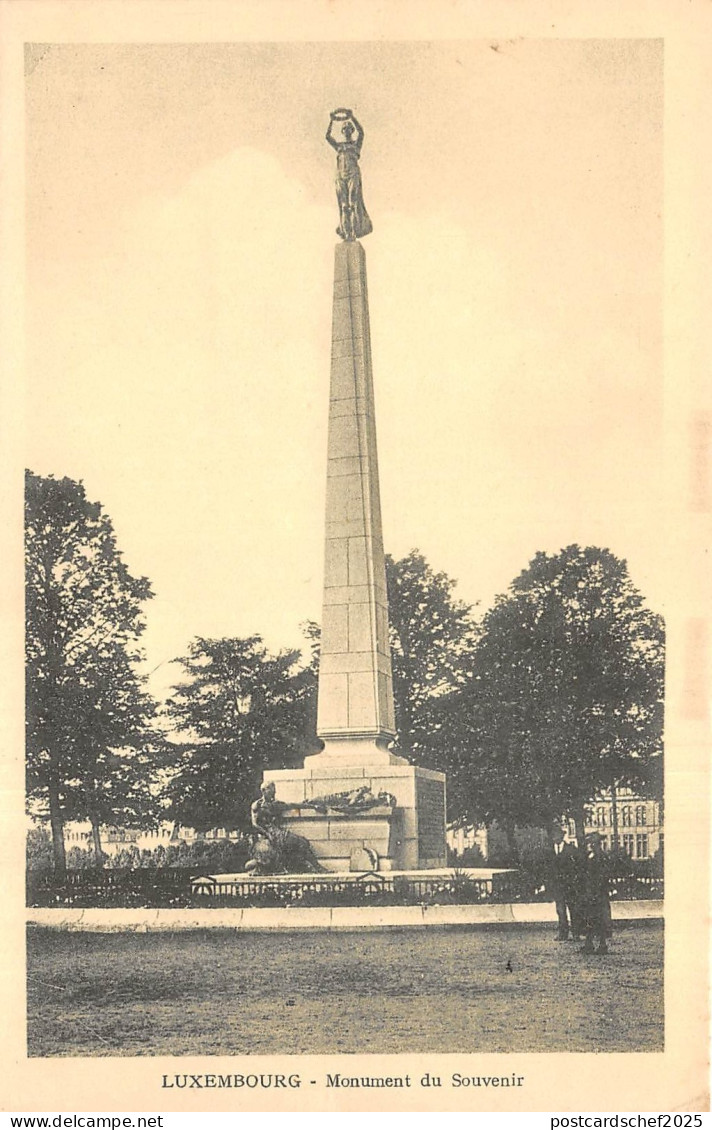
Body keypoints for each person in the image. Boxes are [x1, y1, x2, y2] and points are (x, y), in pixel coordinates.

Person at [325, 109, 373, 242]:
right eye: (344, 129)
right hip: (341, 175)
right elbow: (327, 137)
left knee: (353, 203)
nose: (346, 131)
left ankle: (353, 231)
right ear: (342, 131)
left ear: (351, 131)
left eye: (349, 129)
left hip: (353, 174)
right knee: (343, 205)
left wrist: (352, 117)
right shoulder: (339, 146)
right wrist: (332, 120)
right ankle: (345, 232)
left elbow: (361, 132)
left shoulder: (356, 144)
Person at [546, 825, 583, 941]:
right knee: (560, 910)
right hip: (557, 887)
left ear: (562, 836)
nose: (555, 838)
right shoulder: (549, 851)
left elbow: (578, 866)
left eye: (557, 835)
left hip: (570, 886)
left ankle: (576, 933)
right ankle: (563, 933)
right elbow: (547, 869)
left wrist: (575, 882)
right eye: (553, 835)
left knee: (573, 910)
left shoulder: (571, 849)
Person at [580, 832, 612, 955]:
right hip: (590, 892)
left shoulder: (601, 857)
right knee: (590, 918)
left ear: (597, 843)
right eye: (590, 843)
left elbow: (603, 876)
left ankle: (602, 945)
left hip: (598, 893)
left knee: (600, 919)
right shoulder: (590, 855)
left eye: (592, 843)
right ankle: (589, 944)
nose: (590, 845)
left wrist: (596, 890)